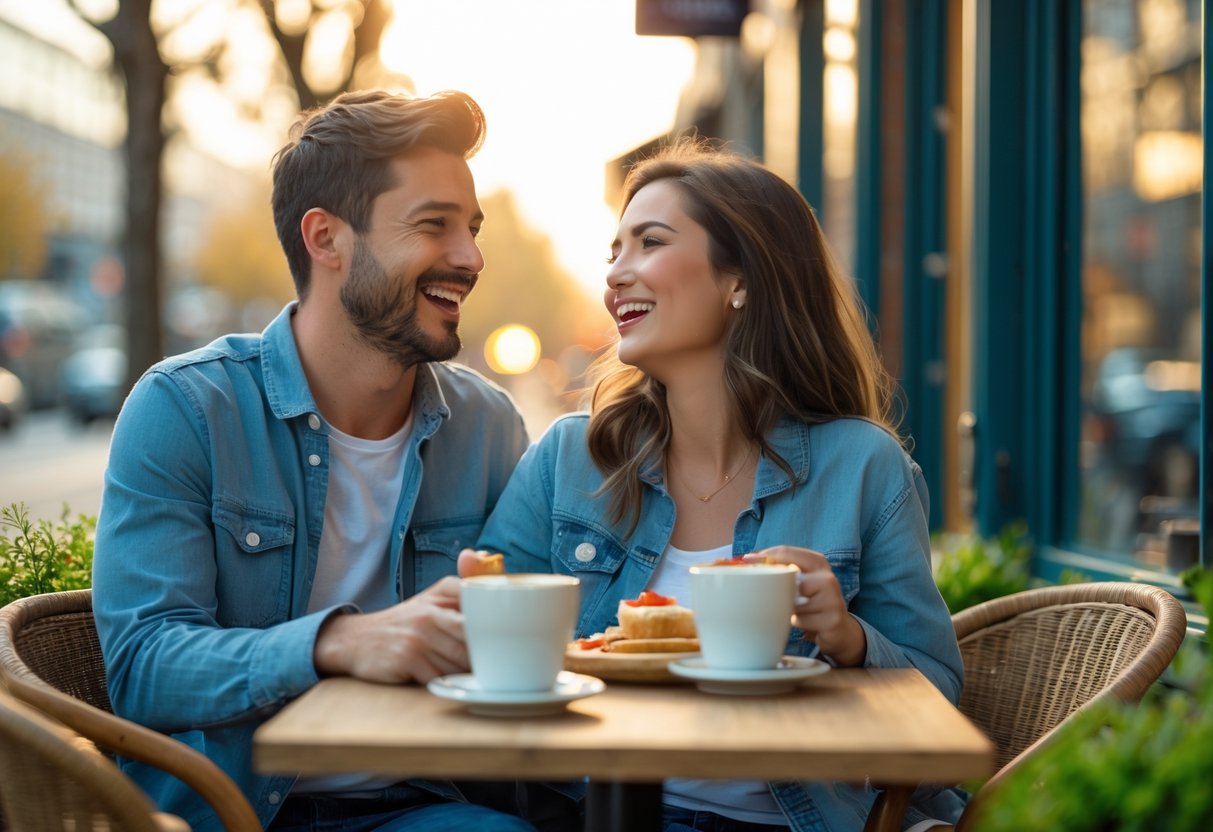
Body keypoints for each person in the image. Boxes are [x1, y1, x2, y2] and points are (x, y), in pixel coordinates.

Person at [93, 90, 571, 831]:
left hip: (425, 808)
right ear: (326, 238)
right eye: (433, 226)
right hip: (231, 813)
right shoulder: (186, 410)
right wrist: (337, 643)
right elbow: (142, 666)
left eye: (471, 230)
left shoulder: (486, 427)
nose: (471, 258)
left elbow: (537, 635)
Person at [463, 140, 968, 832]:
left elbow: (937, 701)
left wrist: (848, 638)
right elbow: (473, 652)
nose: (616, 275)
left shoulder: (862, 467)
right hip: (594, 814)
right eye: (614, 252)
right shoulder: (569, 459)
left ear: (741, 280)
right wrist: (482, 610)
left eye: (649, 243)